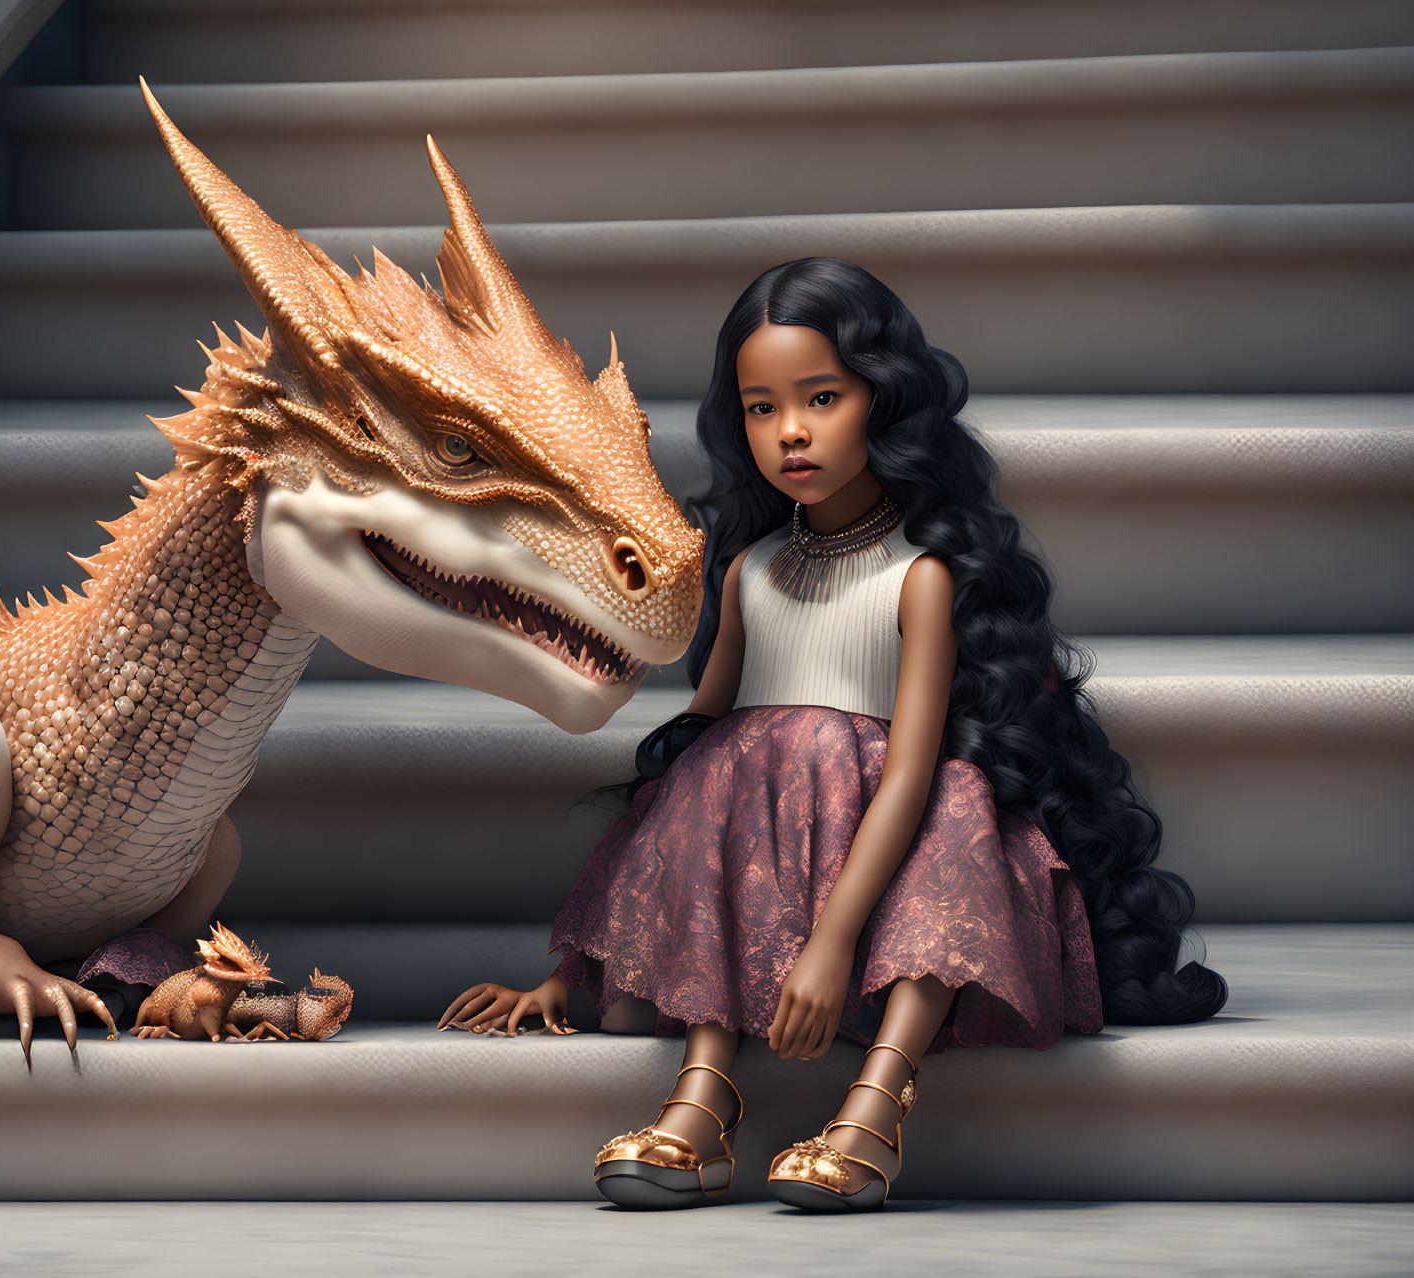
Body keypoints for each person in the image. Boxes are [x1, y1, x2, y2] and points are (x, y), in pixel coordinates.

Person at [439, 257, 1227, 1211]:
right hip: (770, 844)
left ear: (883, 402)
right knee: (723, 771)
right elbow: (696, 748)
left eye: (821, 398)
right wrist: (581, 965)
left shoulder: (919, 576)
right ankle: (700, 1098)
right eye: (761, 408)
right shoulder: (750, 573)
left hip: (888, 850)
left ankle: (874, 1107)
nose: (792, 432)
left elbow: (906, 771)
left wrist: (832, 941)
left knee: (955, 804)